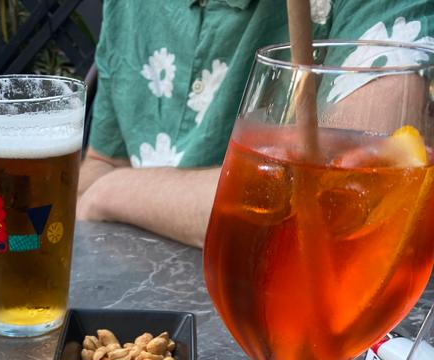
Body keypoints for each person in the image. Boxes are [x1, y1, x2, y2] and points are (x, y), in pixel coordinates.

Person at [77, 0, 434, 247]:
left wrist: (114, 192)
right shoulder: (131, 7)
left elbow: (352, 197)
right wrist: (108, 188)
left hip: (287, 303)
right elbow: (102, 163)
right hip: (135, 303)